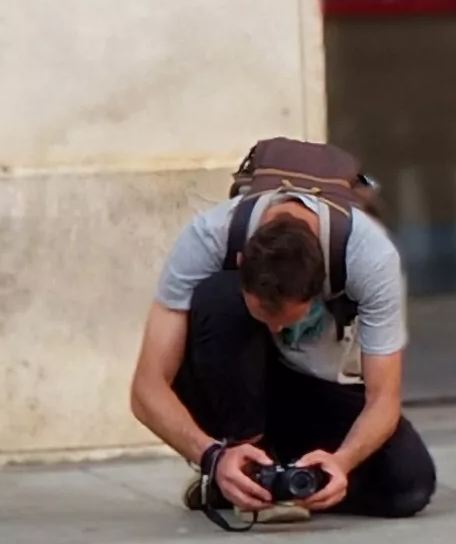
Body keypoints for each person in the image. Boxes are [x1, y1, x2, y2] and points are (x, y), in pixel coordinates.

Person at [129, 177, 437, 522]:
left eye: (288, 319)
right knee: (220, 299)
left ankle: (290, 481)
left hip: (316, 388)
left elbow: (384, 398)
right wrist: (212, 457)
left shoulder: (371, 256)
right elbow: (146, 390)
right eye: (263, 314)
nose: (275, 329)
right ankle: (241, 466)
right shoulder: (209, 235)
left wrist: (343, 461)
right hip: (228, 382)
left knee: (408, 486)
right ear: (242, 260)